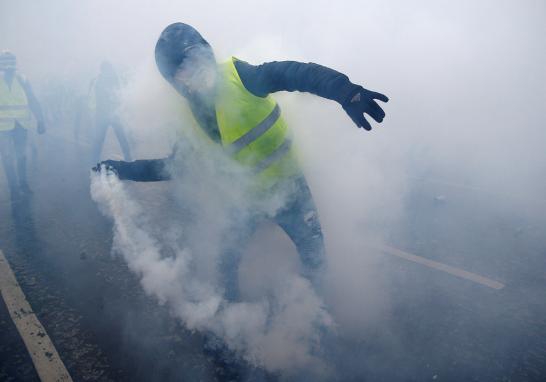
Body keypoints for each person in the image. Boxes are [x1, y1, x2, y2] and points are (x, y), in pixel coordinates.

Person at [94, 23, 388, 301]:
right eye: (182, 69)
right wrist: (122, 170)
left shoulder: (241, 76)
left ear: (207, 52)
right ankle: (231, 333)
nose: (194, 70)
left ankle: (322, 321)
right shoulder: (190, 121)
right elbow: (174, 167)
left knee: (315, 257)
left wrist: (345, 91)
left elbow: (298, 74)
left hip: (291, 190)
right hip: (245, 200)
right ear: (174, 82)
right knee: (225, 264)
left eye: (197, 57)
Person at [0, 51, 45, 200]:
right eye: (6, 68)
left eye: (11, 68)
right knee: (7, 157)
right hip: (3, 127)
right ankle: (13, 187)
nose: (9, 71)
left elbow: (32, 99)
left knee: (21, 155)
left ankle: (23, 184)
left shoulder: (22, 79)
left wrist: (40, 119)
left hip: (21, 124)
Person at [89, 61, 132, 164]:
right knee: (117, 138)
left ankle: (94, 161)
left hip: (108, 114)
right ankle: (128, 158)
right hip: (106, 114)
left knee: (106, 139)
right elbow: (95, 97)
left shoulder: (105, 79)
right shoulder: (101, 80)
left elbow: (118, 95)